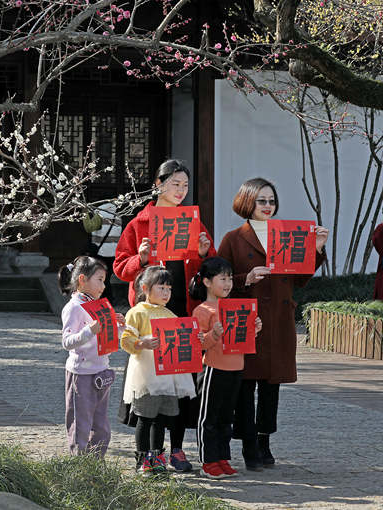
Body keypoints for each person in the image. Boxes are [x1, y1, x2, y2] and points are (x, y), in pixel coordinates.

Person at [217, 177, 328, 471]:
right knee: (245, 385)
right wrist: (245, 279)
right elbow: (218, 279)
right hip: (247, 319)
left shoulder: (286, 233)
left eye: (271, 201)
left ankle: (265, 441)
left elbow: (300, 279)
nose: (268, 206)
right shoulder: (232, 238)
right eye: (261, 200)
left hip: (278, 319)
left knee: (271, 386)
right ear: (247, 201)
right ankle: (248, 444)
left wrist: (316, 249)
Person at [113, 159, 216, 472]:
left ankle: (178, 449)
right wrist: (141, 258)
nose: (181, 191)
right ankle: (149, 452)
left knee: (182, 383)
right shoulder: (139, 223)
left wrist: (201, 254)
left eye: (185, 185)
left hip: (182, 311)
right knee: (154, 382)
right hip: (151, 316)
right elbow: (120, 267)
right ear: (158, 185)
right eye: (175, 184)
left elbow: (207, 270)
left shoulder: (193, 221)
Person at [120, 265, 198, 474]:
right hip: (146, 376)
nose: (166, 293)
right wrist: (142, 344)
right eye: (161, 288)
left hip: (167, 375)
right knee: (145, 418)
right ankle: (142, 458)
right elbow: (126, 340)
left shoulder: (171, 315)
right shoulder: (136, 313)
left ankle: (157, 456)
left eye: (169, 289)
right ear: (145, 288)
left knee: (162, 419)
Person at [191, 256, 263, 478]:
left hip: (235, 367)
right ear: (207, 282)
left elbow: (243, 337)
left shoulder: (236, 307)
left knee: (226, 417)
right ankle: (208, 461)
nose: (228, 283)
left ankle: (222, 458)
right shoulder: (202, 310)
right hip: (213, 367)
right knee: (208, 416)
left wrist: (255, 328)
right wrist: (213, 335)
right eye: (222, 278)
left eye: (230, 278)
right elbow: (197, 343)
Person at [58, 256, 125, 457]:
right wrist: (89, 331)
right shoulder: (74, 307)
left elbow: (109, 338)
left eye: (104, 280)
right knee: (81, 422)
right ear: (82, 279)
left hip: (101, 369)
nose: (103, 286)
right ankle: (79, 464)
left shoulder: (99, 305)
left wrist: (119, 327)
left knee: (101, 424)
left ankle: (96, 462)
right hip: (81, 372)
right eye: (99, 279)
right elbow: (67, 341)